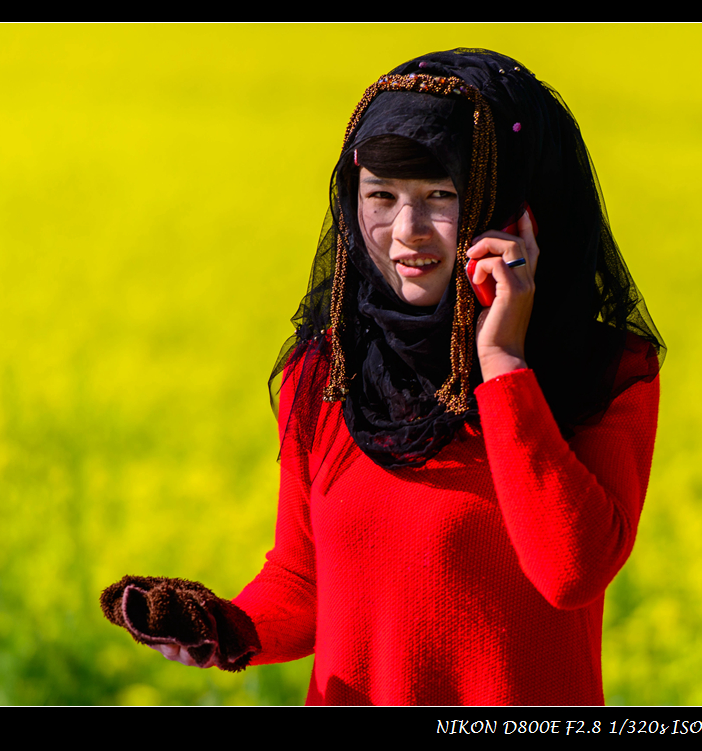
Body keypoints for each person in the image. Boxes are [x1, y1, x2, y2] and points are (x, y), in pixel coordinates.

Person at [100, 48, 664, 706]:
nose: (406, 231)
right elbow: (305, 582)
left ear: (515, 211)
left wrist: (504, 359)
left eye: (441, 197)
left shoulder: (603, 373)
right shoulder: (325, 373)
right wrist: (223, 627)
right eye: (381, 196)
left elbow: (570, 571)